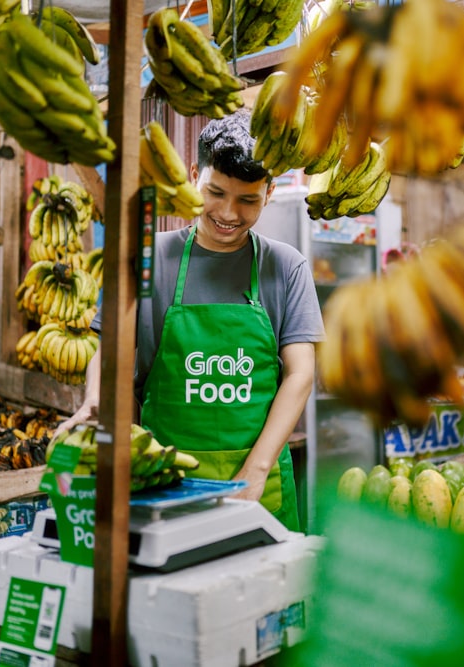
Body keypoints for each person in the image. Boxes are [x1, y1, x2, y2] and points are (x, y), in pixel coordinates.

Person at [58, 110, 325, 532]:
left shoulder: (285, 267)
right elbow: (113, 346)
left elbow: (300, 375)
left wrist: (254, 473)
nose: (228, 213)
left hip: (260, 492)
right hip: (165, 487)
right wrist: (96, 396)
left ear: (270, 192)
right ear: (195, 175)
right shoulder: (148, 257)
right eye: (215, 192)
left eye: (247, 200)